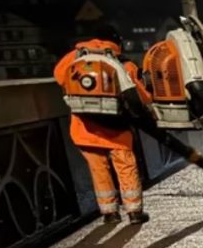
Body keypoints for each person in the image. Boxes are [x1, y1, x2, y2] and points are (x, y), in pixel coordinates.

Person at [54, 25, 151, 225]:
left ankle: (109, 212)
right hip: (116, 129)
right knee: (126, 168)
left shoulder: (74, 57)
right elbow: (141, 96)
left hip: (84, 128)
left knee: (99, 169)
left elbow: (59, 76)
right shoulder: (122, 63)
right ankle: (134, 211)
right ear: (117, 42)